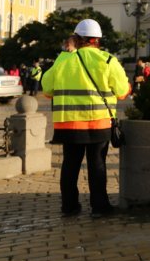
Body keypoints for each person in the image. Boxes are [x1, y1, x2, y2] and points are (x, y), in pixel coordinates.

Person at [41, 19, 130, 217]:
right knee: (97, 164)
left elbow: (47, 90)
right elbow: (123, 92)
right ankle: (100, 208)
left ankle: (69, 207)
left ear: (76, 39)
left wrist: (65, 54)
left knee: (70, 165)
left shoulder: (63, 60)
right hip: (99, 123)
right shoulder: (108, 60)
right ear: (97, 40)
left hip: (68, 123)